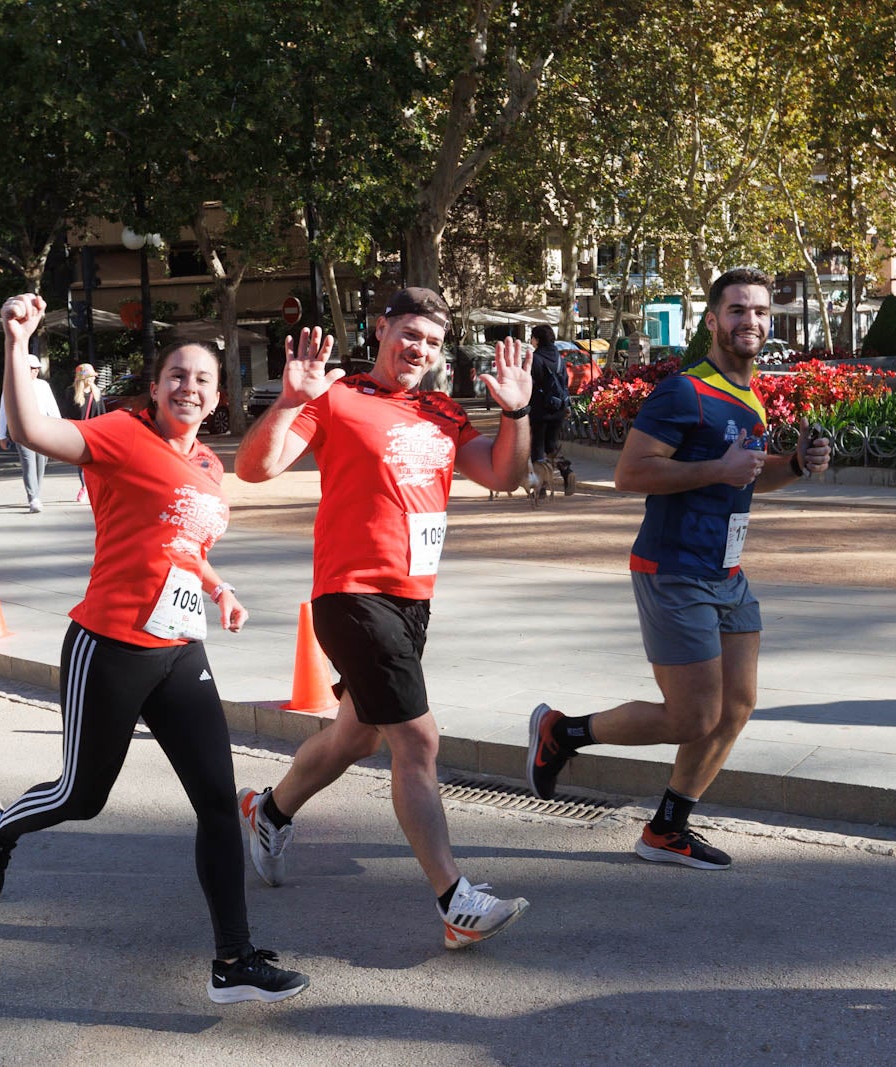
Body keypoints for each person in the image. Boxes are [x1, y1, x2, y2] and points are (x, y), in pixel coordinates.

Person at [0, 292, 309, 1005]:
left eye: (204, 380)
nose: (190, 386)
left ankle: (233, 960)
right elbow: (34, 428)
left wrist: (220, 587)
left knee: (218, 802)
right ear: (154, 387)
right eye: (177, 375)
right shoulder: (121, 434)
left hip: (180, 648)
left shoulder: (212, 470)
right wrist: (16, 343)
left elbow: (183, 544)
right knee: (80, 796)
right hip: (111, 643)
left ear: (217, 400)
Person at [233, 287, 534, 950]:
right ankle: (454, 900)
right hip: (350, 595)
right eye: (409, 334)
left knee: (356, 738)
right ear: (381, 330)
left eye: (431, 342)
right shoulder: (337, 397)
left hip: (411, 602)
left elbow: (504, 475)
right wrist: (289, 400)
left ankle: (269, 810)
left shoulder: (441, 411)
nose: (418, 349)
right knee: (418, 740)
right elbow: (254, 468)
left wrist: (518, 413)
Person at [525, 266, 833, 870]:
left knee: (737, 706)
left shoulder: (748, 396)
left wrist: (794, 464)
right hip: (673, 569)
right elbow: (630, 473)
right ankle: (563, 732)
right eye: (738, 310)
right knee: (693, 716)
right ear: (713, 320)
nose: (751, 321)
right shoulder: (685, 391)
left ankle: (667, 828)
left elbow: (749, 475)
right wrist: (714, 470)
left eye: (761, 312)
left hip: (728, 572)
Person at [0, 350, 60, 513]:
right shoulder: (12, 386)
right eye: (32, 368)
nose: (36, 371)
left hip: (43, 428)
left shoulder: (43, 385)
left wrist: (59, 428)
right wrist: (1, 434)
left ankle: (36, 493)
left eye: (37, 368)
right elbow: (4, 410)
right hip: (22, 430)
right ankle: (33, 497)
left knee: (41, 462)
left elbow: (52, 408)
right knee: (28, 462)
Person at [526, 324, 574, 494]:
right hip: (558, 408)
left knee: (538, 448)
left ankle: (541, 487)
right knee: (551, 445)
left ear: (537, 339)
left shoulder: (535, 358)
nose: (531, 340)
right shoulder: (560, 358)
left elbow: (529, 385)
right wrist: (566, 406)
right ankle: (566, 470)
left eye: (532, 337)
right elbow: (565, 383)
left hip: (540, 410)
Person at [70, 363, 102, 503]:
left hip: (94, 432)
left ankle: (91, 487)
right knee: (82, 462)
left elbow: (102, 414)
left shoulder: (97, 393)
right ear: (82, 379)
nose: (92, 379)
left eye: (93, 377)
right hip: (79, 433)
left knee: (93, 462)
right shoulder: (71, 393)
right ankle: (84, 487)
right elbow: (67, 414)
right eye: (90, 377)